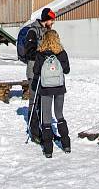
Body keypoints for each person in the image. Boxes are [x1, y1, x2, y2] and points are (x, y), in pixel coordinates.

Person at [31, 29, 71, 158]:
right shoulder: (62, 53)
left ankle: (48, 150)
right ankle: (66, 144)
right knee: (59, 114)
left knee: (46, 117)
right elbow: (67, 70)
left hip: (45, 88)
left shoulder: (41, 54)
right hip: (59, 88)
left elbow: (36, 71)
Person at [25, 7, 56, 143]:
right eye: (51, 20)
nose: (53, 23)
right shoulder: (33, 31)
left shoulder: (48, 32)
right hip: (34, 72)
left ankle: (47, 132)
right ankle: (35, 132)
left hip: (46, 73)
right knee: (34, 102)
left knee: (45, 102)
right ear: (46, 19)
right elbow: (29, 52)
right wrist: (42, 53)